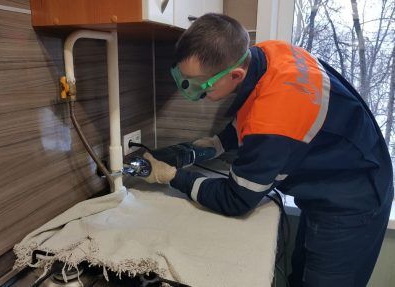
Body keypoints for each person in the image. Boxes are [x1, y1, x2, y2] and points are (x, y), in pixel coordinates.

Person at [141, 13, 394, 287]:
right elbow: (256, 105)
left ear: (235, 75)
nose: (194, 92)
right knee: (301, 273)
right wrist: (219, 143)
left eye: (201, 86)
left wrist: (173, 177)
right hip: (345, 174)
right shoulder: (270, 53)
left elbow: (235, 200)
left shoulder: (275, 118)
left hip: (354, 200)